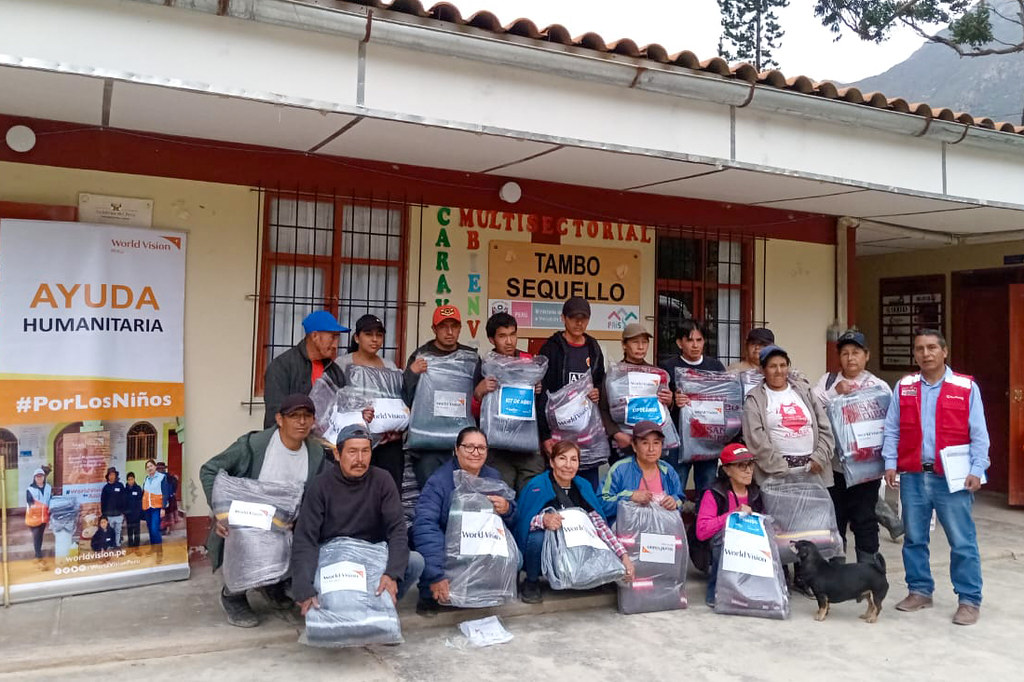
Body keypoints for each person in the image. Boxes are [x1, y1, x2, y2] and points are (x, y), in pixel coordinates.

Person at [881, 328, 989, 626]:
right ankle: (919, 590)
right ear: (914, 354)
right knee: (914, 538)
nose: (925, 354)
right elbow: (893, 428)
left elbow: (978, 433)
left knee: (962, 541)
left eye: (931, 348)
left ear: (945, 352)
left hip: (952, 478)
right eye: (919, 349)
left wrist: (977, 469)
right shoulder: (904, 386)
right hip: (914, 475)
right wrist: (890, 462)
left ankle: (968, 599)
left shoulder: (965, 387)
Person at [200, 393, 330, 628]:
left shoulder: (316, 454)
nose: (301, 422)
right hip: (246, 521)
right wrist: (221, 514)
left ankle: (273, 584)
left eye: (307, 416)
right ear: (280, 419)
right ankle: (233, 594)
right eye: (294, 416)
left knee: (308, 534)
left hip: (286, 523)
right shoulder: (253, 445)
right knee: (245, 538)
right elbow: (209, 470)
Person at [292, 424, 424, 617]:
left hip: (371, 555)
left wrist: (392, 574)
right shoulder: (320, 485)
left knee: (415, 562)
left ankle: (382, 608)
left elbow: (397, 531)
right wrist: (304, 588)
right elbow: (305, 538)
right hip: (331, 558)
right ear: (337, 454)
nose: (360, 459)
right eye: (352, 452)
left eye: (365, 451)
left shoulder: (383, 480)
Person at [514, 440, 635, 604]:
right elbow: (522, 521)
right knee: (537, 537)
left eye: (573, 459)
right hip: (548, 549)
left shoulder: (583, 486)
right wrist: (543, 520)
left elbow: (599, 526)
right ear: (552, 462)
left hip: (575, 548)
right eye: (562, 459)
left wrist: (623, 556)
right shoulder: (537, 486)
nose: (568, 465)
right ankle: (532, 581)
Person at [812, 330, 897, 562]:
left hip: (866, 470)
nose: (851, 358)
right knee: (834, 517)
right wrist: (834, 394)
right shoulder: (827, 382)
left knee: (865, 518)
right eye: (845, 353)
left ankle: (868, 569)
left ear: (866, 355)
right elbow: (811, 410)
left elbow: (890, 425)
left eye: (856, 352)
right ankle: (837, 567)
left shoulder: (879, 387)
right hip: (835, 467)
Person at [411, 427, 514, 616]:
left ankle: (481, 591)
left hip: (481, 542)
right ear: (456, 450)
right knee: (430, 552)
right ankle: (428, 593)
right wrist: (435, 575)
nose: (476, 453)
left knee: (517, 558)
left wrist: (507, 508)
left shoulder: (493, 477)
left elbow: (512, 516)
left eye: (481, 448)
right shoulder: (439, 481)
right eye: (469, 447)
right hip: (448, 547)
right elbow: (425, 527)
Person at [403, 305, 478, 488]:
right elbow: (404, 397)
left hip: (462, 443)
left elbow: (479, 393)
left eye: (454, 326)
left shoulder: (470, 357)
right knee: (432, 493)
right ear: (434, 329)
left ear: (460, 328)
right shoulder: (421, 356)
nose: (450, 332)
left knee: (464, 495)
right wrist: (411, 374)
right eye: (444, 327)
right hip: (428, 444)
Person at [537, 297, 607, 490]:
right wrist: (545, 436)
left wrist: (597, 391)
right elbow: (542, 394)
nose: (579, 323)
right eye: (574, 317)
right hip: (558, 432)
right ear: (563, 318)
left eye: (583, 318)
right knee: (557, 485)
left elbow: (601, 380)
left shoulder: (593, 347)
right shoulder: (551, 348)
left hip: (586, 432)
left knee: (587, 488)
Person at [742, 345, 834, 488]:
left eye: (783, 365)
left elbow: (825, 427)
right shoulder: (754, 399)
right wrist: (782, 468)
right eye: (772, 366)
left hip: (813, 471)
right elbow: (755, 440)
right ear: (762, 370)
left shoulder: (805, 390)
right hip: (777, 475)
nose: (779, 371)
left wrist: (819, 458)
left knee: (814, 511)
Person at [472, 311, 546, 491]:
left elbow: (542, 406)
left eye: (513, 334)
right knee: (502, 497)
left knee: (532, 496)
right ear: (491, 339)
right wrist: (479, 392)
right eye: (502, 336)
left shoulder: (529, 362)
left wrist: (538, 390)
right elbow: (472, 411)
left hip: (528, 447)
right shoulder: (485, 365)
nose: (509, 341)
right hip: (498, 448)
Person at [660, 320, 727, 505]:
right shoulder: (667, 367)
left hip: (708, 438)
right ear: (679, 343)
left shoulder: (716, 367)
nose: (695, 345)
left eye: (699, 339)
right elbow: (659, 403)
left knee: (707, 487)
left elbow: (725, 400)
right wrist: (674, 401)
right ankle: (676, 528)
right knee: (676, 487)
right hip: (679, 440)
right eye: (690, 340)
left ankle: (703, 529)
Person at [337, 313, 405, 491]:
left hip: (386, 443)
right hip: (354, 441)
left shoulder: (390, 366)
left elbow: (398, 403)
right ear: (356, 338)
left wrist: (397, 429)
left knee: (387, 488)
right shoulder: (342, 364)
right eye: (368, 334)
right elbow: (332, 403)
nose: (375, 339)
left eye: (379, 335)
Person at [694, 443, 765, 607]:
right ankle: (715, 590)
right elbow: (702, 531)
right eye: (742, 466)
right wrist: (732, 516)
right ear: (727, 470)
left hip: (748, 546)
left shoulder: (756, 492)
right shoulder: (713, 493)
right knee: (725, 536)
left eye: (750, 464)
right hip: (715, 548)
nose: (748, 471)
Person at [600, 323, 673, 464]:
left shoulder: (656, 373)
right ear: (624, 345)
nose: (641, 347)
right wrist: (617, 434)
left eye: (644, 342)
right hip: (622, 446)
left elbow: (664, 410)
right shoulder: (614, 374)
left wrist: (670, 401)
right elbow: (603, 408)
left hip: (650, 448)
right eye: (635, 342)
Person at [263, 310, 349, 428]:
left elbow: (343, 411)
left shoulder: (335, 371)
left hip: (326, 444)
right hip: (291, 443)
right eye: (332, 337)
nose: (335, 345)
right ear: (314, 336)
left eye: (337, 338)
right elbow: (275, 415)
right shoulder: (282, 366)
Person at [600, 420, 684, 523]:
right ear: (634, 446)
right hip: (628, 530)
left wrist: (674, 502)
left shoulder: (668, 471)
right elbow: (602, 504)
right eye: (645, 443)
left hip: (662, 529)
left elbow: (680, 499)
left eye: (656, 443)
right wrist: (629, 497)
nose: (651, 449)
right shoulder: (619, 469)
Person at [141, 458, 172, 562]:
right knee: (150, 529)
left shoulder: (162, 477)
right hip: (147, 508)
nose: (149, 468)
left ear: (155, 467)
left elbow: (165, 493)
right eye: (147, 467)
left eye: (151, 466)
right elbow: (144, 493)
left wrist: (163, 508)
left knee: (155, 529)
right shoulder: (146, 479)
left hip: (157, 507)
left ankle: (159, 552)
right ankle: (153, 548)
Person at [25, 467, 52, 563]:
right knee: (36, 536)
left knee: (40, 536)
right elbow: (30, 503)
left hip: (44, 517)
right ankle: (38, 555)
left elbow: (50, 500)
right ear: (34, 478)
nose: (39, 478)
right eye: (37, 477)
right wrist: (39, 508)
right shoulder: (30, 489)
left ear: (44, 477)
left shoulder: (48, 487)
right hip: (33, 518)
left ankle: (38, 553)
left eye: (41, 476)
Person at [99, 467, 127, 547]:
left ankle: (118, 546)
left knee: (118, 531)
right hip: (109, 515)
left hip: (118, 515)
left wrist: (123, 512)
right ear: (108, 476)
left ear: (116, 475)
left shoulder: (120, 486)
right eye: (110, 475)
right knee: (109, 532)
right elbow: (103, 502)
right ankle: (110, 547)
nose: (112, 476)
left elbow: (124, 499)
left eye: (113, 474)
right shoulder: (105, 488)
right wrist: (104, 515)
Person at [156, 462, 178, 533]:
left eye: (161, 468)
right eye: (159, 469)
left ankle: (164, 529)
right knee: (164, 515)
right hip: (161, 498)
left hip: (166, 498)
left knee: (165, 515)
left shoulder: (168, 477)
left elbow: (171, 487)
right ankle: (164, 529)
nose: (160, 470)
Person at [124, 472, 144, 550]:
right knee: (129, 531)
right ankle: (130, 546)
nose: (130, 481)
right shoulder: (125, 490)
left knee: (137, 531)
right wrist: (125, 513)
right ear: (127, 480)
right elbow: (124, 502)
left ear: (134, 479)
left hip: (136, 514)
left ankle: (136, 547)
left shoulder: (138, 488)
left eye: (132, 479)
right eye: (129, 480)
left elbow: (140, 501)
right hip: (128, 515)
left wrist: (139, 513)